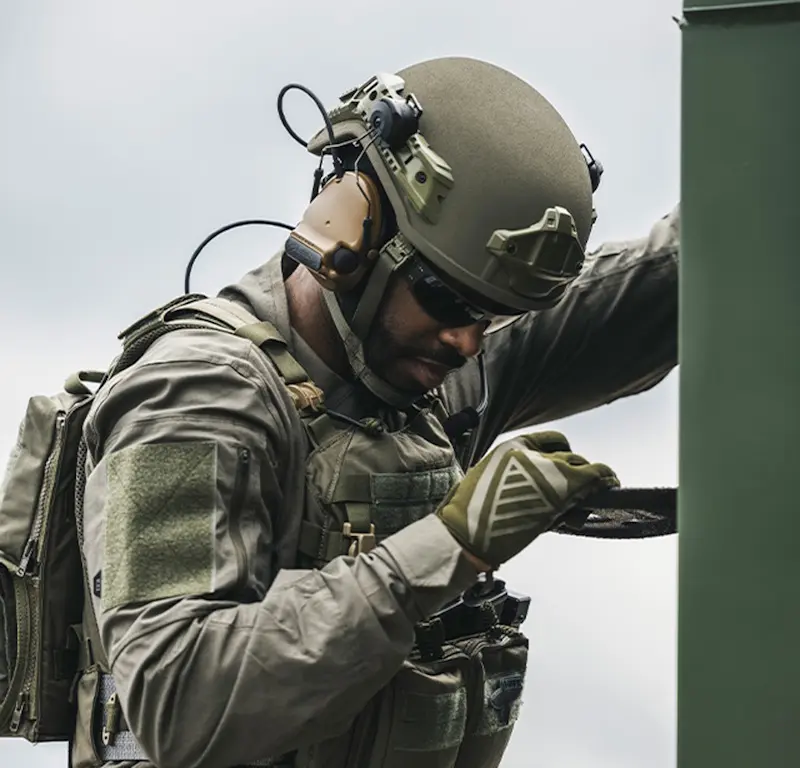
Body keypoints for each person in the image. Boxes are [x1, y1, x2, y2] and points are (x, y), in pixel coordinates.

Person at [70, 57, 679, 768]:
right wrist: (449, 546)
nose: (468, 341)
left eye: (496, 313)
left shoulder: (428, 368)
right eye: (447, 300)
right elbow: (179, 703)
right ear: (349, 228)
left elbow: (673, 279)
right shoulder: (196, 397)